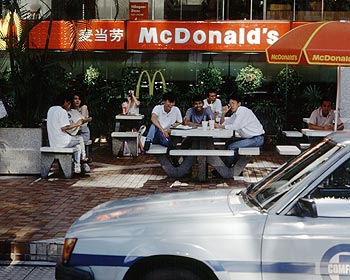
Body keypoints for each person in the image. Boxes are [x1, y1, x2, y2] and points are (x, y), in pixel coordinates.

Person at [46, 93, 91, 175]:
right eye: (69, 103)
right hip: (62, 141)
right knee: (80, 138)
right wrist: (77, 124)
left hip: (53, 142)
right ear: (65, 101)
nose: (69, 106)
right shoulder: (62, 111)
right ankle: (83, 157)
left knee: (77, 147)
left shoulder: (50, 110)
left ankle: (77, 167)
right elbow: (64, 127)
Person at [216, 94, 265, 167]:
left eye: (233, 103)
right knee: (228, 143)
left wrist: (221, 126)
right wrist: (223, 113)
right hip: (249, 138)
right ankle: (233, 167)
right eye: (230, 104)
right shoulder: (235, 114)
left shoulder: (242, 110)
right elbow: (224, 123)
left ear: (239, 104)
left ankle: (227, 168)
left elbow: (235, 126)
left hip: (256, 138)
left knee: (231, 147)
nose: (231, 106)